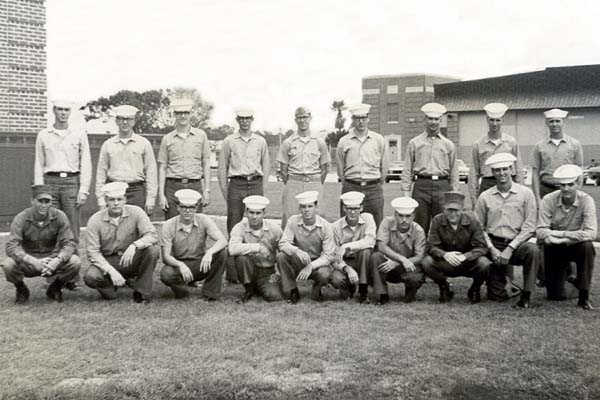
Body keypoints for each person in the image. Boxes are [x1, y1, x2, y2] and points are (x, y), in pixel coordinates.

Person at [34, 99, 91, 290]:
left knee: (72, 230)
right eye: (59, 109)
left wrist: (83, 189)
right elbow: (39, 163)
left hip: (71, 183)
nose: (63, 113)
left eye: (66, 110)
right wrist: (40, 190)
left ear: (70, 112)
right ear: (54, 111)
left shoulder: (79, 134)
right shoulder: (44, 135)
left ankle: (72, 277)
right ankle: (51, 275)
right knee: (51, 229)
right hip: (50, 182)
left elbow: (86, 163)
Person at [474, 153, 538, 309]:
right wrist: (491, 248)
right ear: (492, 172)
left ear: (511, 169)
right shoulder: (485, 196)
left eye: (505, 169)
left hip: (516, 244)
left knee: (533, 251)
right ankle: (505, 284)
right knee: (497, 296)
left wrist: (511, 247)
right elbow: (478, 227)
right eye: (497, 170)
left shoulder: (525, 194)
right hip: (494, 244)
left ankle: (526, 296)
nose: (501, 173)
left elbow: (530, 226)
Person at [531, 108, 584, 287]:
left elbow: (580, 171)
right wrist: (537, 197)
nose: (554, 124)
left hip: (567, 190)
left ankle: (572, 273)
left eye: (557, 121)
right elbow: (536, 172)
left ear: (563, 122)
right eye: (551, 121)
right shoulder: (539, 145)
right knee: (544, 232)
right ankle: (543, 274)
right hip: (547, 189)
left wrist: (578, 195)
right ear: (547, 123)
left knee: (568, 228)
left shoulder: (574, 144)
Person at [1, 185, 80, 303]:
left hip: (52, 260)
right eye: (40, 201)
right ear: (32, 201)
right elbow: (11, 246)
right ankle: (21, 288)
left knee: (75, 261)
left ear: (51, 202)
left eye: (47, 201)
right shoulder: (21, 218)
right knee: (8, 264)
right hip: (29, 261)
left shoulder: (59, 216)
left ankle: (56, 287)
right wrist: (32, 261)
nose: (43, 205)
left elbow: (69, 243)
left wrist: (57, 260)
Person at [84, 182, 159, 303]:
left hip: (131, 258)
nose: (116, 203)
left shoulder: (137, 212)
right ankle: (111, 286)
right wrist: (111, 271)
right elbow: (93, 252)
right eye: (111, 200)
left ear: (125, 199)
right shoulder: (95, 220)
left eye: (119, 199)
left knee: (152, 250)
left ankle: (141, 291)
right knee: (91, 277)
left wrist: (135, 245)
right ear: (106, 201)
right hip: (109, 260)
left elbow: (152, 235)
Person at [537, 165, 597, 310]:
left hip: (575, 245)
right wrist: (566, 235)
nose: (566, 189)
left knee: (587, 246)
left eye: (570, 184)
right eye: (562, 185)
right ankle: (569, 273)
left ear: (578, 183)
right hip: (554, 247)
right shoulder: (548, 199)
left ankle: (584, 294)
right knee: (556, 296)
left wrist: (562, 239)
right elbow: (540, 230)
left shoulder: (586, 200)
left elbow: (591, 232)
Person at [422, 191, 491, 303]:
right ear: (444, 209)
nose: (453, 214)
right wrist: (445, 254)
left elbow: (482, 247)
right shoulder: (437, 220)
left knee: (485, 263)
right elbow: (431, 246)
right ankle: (444, 287)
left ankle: (475, 288)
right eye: (449, 210)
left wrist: (466, 256)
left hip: (468, 262)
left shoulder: (473, 221)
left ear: (462, 210)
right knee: (427, 262)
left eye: (456, 210)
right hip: (446, 262)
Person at [401, 103, 459, 235]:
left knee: (443, 224)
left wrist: (454, 193)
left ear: (440, 120)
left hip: (442, 186)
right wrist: (406, 192)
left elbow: (454, 171)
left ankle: (441, 254)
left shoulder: (448, 144)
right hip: (421, 186)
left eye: (436, 119)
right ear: (425, 119)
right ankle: (420, 254)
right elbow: (407, 169)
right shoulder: (414, 143)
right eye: (430, 118)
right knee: (419, 226)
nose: (433, 122)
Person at [159, 189, 227, 301]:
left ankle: (210, 293)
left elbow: (223, 240)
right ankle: (182, 292)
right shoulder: (169, 225)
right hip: (179, 265)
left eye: (191, 207)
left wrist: (209, 253)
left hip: (200, 263)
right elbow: (166, 257)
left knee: (222, 253)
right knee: (166, 274)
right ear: (178, 208)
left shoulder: (203, 219)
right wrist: (180, 265)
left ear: (196, 208)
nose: (187, 211)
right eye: (184, 207)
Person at [95, 105, 158, 214]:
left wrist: (151, 199)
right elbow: (101, 173)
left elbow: (151, 172)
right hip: (113, 190)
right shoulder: (108, 144)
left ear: (133, 121)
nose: (125, 122)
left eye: (128, 119)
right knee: (114, 227)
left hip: (136, 191)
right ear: (116, 121)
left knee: (137, 227)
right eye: (121, 119)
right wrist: (100, 199)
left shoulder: (143, 143)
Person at [158, 98, 212, 219]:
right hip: (172, 186)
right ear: (175, 115)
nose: (183, 116)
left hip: (194, 185)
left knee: (196, 225)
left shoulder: (201, 136)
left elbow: (206, 162)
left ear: (190, 114)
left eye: (186, 113)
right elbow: (163, 167)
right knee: (172, 225)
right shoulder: (167, 139)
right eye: (179, 113)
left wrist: (207, 190)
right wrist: (161, 194)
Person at [277, 191, 335, 304]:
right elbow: (283, 243)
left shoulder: (326, 226)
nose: (307, 210)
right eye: (303, 207)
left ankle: (317, 289)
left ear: (316, 207)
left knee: (325, 274)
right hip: (299, 260)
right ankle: (293, 290)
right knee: (281, 256)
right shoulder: (293, 221)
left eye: (310, 206)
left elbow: (329, 256)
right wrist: (296, 251)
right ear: (299, 208)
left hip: (318, 263)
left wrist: (311, 266)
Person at [277, 106, 330, 228]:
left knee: (318, 216)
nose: (302, 120)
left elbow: (325, 169)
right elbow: (283, 171)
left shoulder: (319, 142)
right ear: (295, 120)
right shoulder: (288, 143)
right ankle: (287, 245)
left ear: (310, 118)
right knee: (290, 216)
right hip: (294, 183)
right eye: (299, 118)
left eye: (305, 117)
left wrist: (315, 182)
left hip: (314, 182)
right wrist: (293, 182)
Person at [336, 103, 388, 227]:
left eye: (363, 118)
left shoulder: (378, 139)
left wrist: (376, 182)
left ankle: (375, 247)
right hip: (351, 186)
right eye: (357, 118)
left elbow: (384, 166)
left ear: (368, 119)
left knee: (376, 223)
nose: (361, 121)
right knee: (348, 224)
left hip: (373, 188)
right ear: (353, 119)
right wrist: (348, 182)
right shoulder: (344, 141)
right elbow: (340, 167)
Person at [218, 108, 270, 233]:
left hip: (255, 183)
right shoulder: (229, 141)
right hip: (236, 184)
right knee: (234, 221)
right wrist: (227, 192)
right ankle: (234, 249)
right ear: (237, 120)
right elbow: (222, 168)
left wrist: (263, 189)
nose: (245, 121)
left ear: (252, 120)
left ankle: (255, 249)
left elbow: (266, 166)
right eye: (242, 118)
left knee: (256, 219)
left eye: (247, 118)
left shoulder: (260, 141)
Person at [370, 197, 426, 305]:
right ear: (395, 215)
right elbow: (381, 245)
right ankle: (382, 295)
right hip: (388, 264)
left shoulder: (418, 230)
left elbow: (419, 256)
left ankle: (410, 292)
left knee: (415, 276)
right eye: (400, 216)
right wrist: (401, 259)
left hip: (407, 267)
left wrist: (398, 262)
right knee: (376, 257)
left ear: (413, 216)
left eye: (408, 216)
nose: (404, 220)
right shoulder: (387, 222)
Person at [228, 195, 283, 302]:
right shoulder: (239, 227)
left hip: (268, 272)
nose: (254, 216)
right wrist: (257, 247)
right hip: (250, 270)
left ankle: (261, 288)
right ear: (246, 212)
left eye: (258, 213)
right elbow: (232, 248)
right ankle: (248, 289)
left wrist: (278, 273)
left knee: (274, 296)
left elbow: (283, 252)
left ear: (264, 213)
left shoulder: (274, 229)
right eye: (251, 213)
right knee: (241, 258)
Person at [469, 103, 524, 206]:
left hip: (508, 183)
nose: (494, 124)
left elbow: (519, 169)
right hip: (487, 184)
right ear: (487, 120)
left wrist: (520, 191)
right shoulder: (478, 144)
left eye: (498, 120)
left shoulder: (511, 142)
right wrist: (474, 198)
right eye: (491, 120)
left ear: (502, 120)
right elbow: (473, 173)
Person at [330, 191, 376, 302]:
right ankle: (348, 288)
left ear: (361, 208)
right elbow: (333, 255)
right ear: (344, 209)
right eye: (349, 208)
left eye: (356, 208)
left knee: (365, 251)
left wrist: (346, 246)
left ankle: (363, 290)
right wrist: (348, 269)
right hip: (345, 262)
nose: (352, 212)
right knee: (336, 279)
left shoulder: (368, 218)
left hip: (363, 262)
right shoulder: (335, 226)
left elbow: (370, 241)